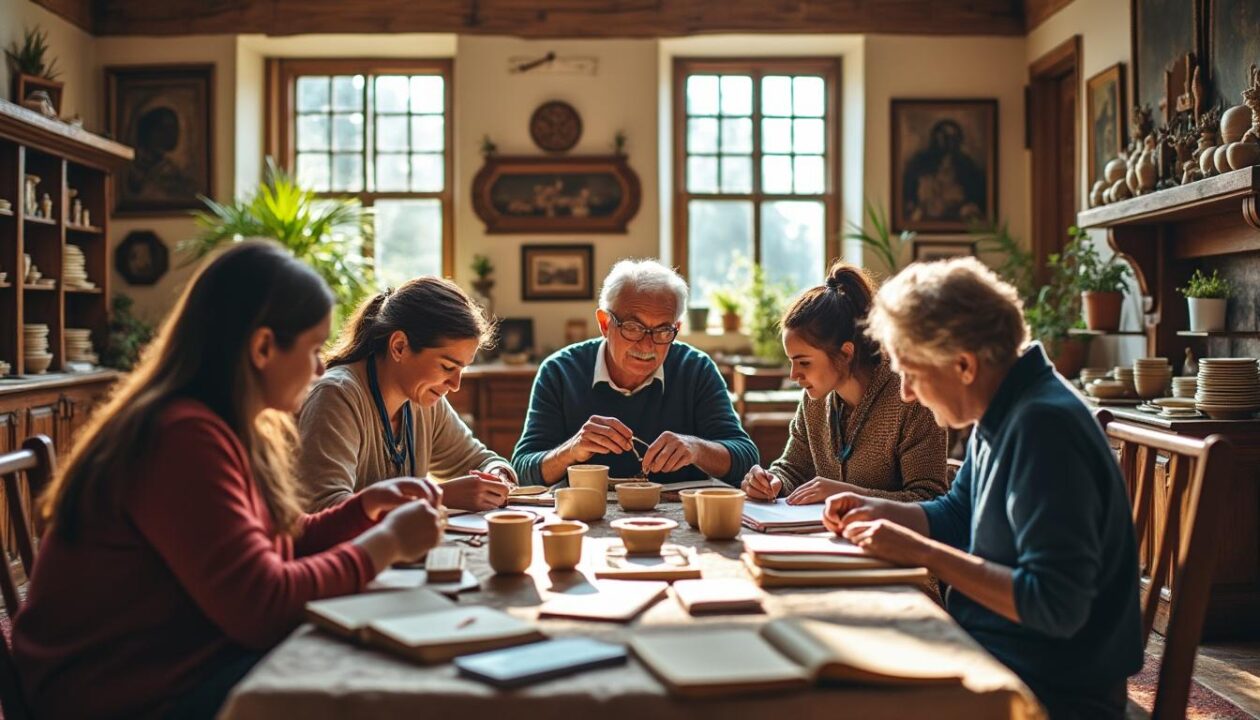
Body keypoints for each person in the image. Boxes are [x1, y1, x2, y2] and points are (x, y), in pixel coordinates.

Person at [12, 242, 444, 719]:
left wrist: (361, 511)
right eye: (313, 349)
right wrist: (382, 543)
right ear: (262, 348)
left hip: (175, 658)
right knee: (375, 680)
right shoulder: (179, 436)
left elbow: (274, 542)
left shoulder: (227, 425)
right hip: (114, 694)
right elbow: (264, 609)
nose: (321, 367)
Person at [823, 258, 1142, 718]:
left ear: (964, 364)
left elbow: (1055, 605)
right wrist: (876, 509)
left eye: (910, 373)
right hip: (1000, 653)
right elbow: (957, 513)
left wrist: (923, 553)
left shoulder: (1042, 428)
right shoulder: (1005, 406)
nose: (907, 393)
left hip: (1048, 690)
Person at [512, 259, 758, 486]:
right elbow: (522, 471)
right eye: (633, 327)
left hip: (677, 519)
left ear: (677, 329)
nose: (647, 345)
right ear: (605, 324)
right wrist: (571, 450)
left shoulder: (696, 369)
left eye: (662, 330)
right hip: (586, 517)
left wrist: (696, 449)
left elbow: (746, 459)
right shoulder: (560, 372)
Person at [298, 277, 516, 512]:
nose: (455, 384)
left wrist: (498, 475)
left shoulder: (425, 401)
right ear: (399, 346)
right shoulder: (336, 396)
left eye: (462, 369)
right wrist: (438, 496)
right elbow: (324, 509)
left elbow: (480, 460)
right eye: (447, 367)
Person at [741, 262, 946, 505]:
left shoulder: (911, 398)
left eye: (804, 362)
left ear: (846, 353)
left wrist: (847, 494)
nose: (794, 375)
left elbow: (929, 499)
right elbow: (792, 469)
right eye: (791, 362)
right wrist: (770, 481)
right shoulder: (814, 400)